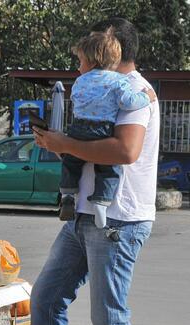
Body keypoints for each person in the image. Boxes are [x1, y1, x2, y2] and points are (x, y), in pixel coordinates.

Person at [4, 18, 159, 325]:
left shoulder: (136, 93)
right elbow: (89, 142)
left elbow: (126, 150)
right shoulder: (102, 87)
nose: (78, 68)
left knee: (108, 319)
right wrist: (58, 141)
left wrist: (64, 145)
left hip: (119, 220)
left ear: (112, 50)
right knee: (47, 297)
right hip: (84, 215)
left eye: (87, 56)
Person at [59, 29, 156, 227]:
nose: (78, 68)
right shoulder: (119, 81)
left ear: (93, 61)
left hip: (78, 127)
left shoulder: (79, 81)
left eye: (81, 62)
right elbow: (128, 102)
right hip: (101, 129)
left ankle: (67, 193)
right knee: (109, 169)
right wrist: (147, 97)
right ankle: (101, 203)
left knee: (71, 161)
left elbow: (76, 100)